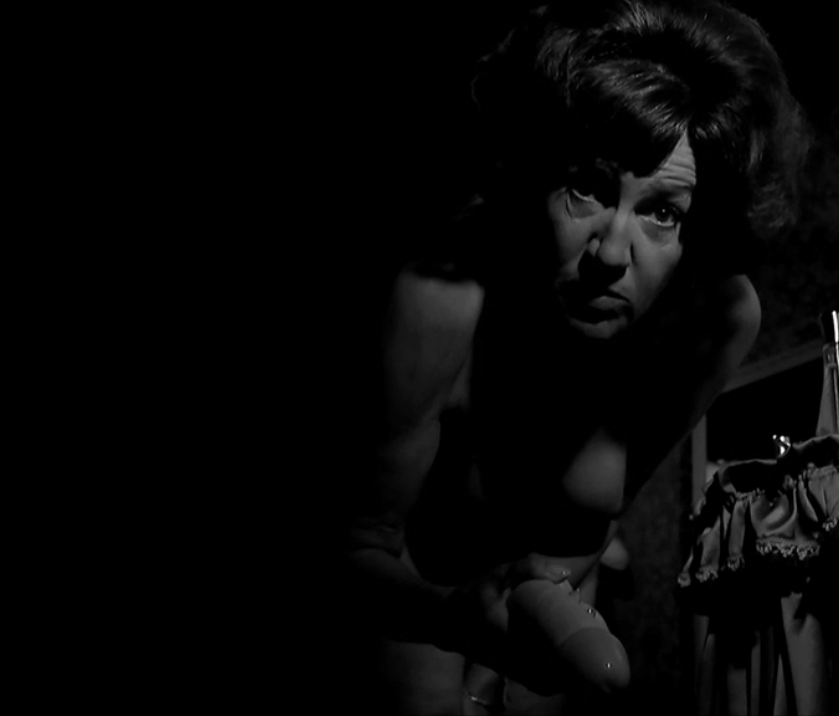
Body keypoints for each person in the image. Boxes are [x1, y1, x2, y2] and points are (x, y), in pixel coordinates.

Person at [340, 0, 811, 712]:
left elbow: (600, 510)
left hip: (548, 634)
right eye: (588, 186)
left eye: (662, 212)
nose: (612, 253)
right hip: (414, 616)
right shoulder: (443, 301)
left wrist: (539, 601)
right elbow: (353, 551)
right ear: (535, 174)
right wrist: (456, 623)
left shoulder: (714, 320)